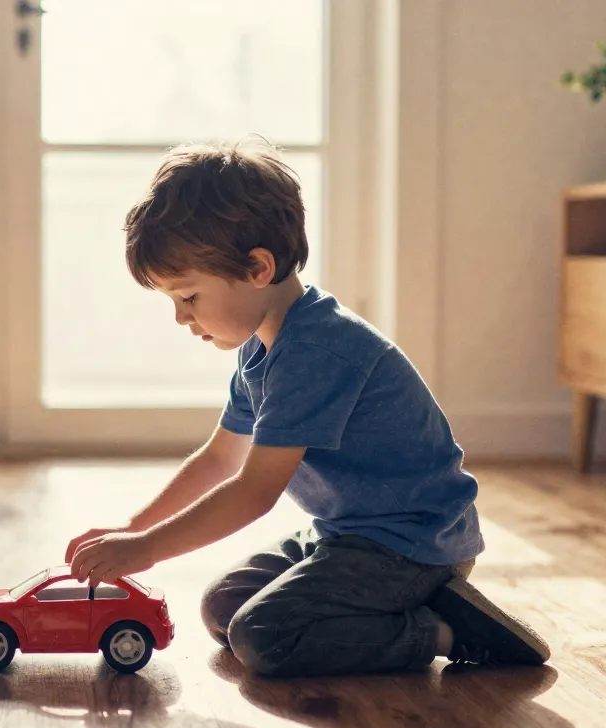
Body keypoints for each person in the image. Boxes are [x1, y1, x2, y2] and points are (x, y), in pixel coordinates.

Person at [63, 138, 549, 677]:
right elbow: (219, 459)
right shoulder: (261, 348)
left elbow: (254, 491)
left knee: (264, 636)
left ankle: (450, 630)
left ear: (257, 267)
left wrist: (147, 549)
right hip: (347, 532)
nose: (181, 317)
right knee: (224, 609)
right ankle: (406, 609)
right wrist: (133, 530)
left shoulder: (315, 352)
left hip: (414, 544)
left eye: (189, 296)